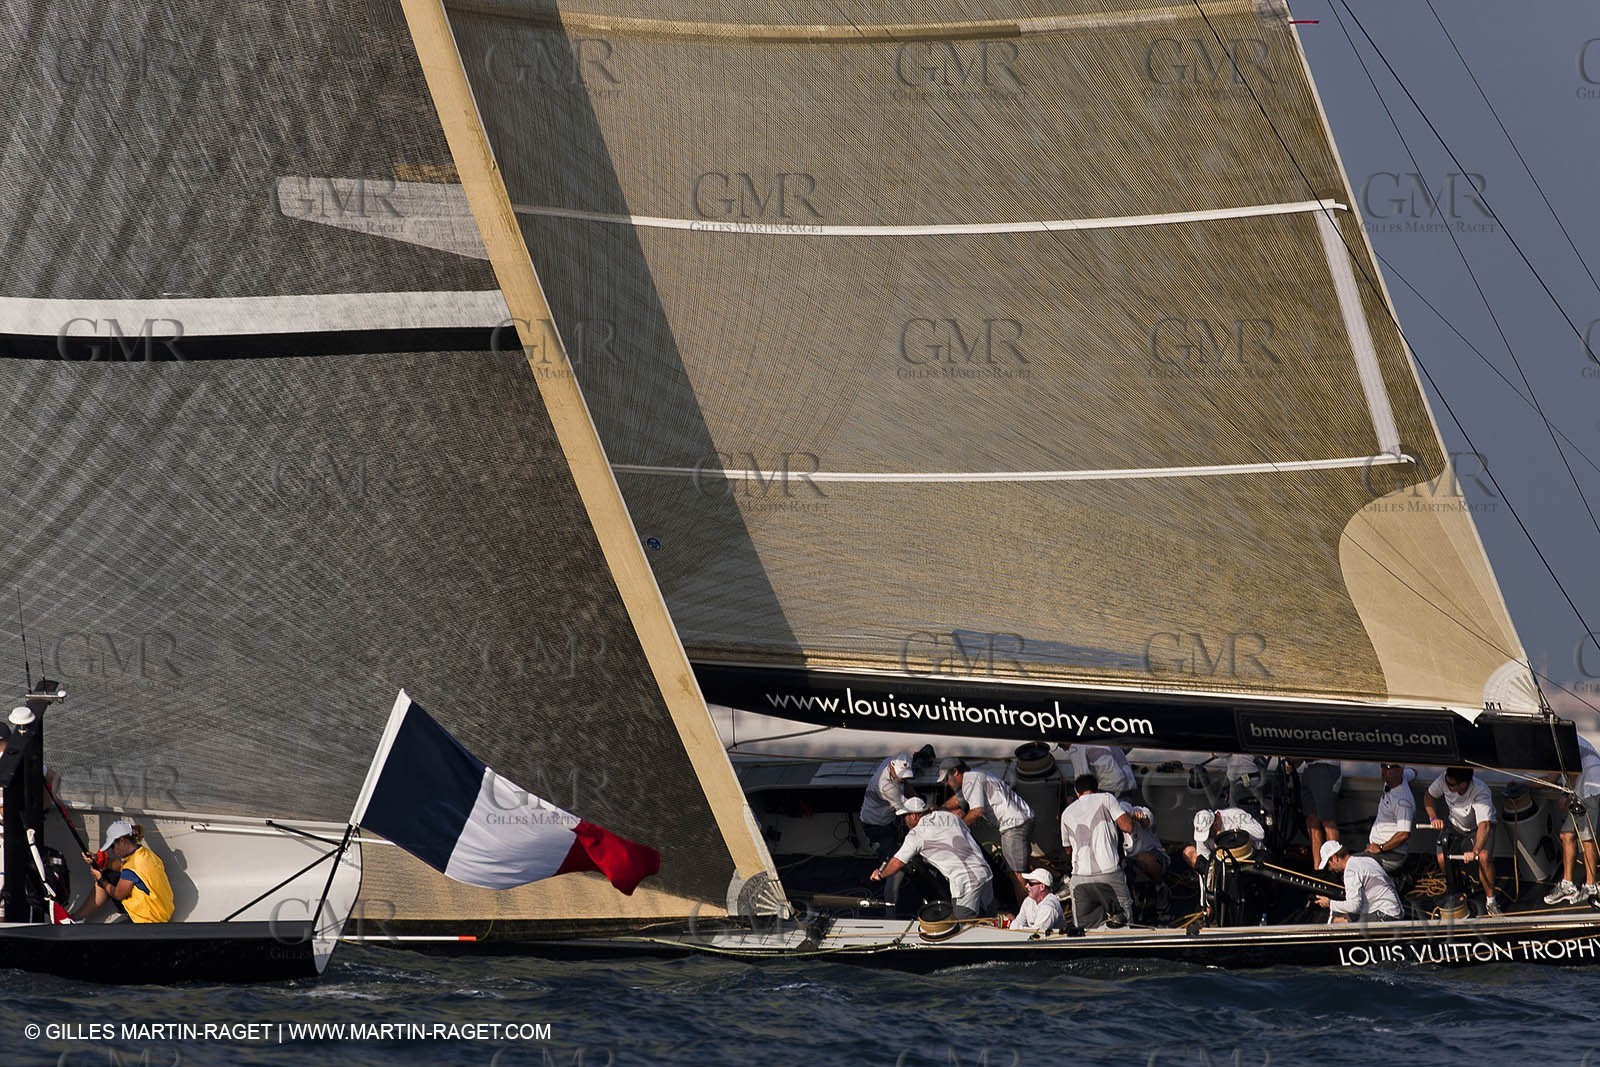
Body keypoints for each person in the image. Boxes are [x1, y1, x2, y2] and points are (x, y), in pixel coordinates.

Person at [870, 797, 993, 915]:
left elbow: (898, 862)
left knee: (962, 925)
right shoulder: (949, 816)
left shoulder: (916, 834)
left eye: (905, 817)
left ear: (913, 816)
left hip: (966, 881)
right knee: (992, 914)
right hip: (984, 871)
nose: (904, 821)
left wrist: (881, 874)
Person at [938, 758, 1035, 902]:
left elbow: (977, 811)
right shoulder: (975, 775)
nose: (946, 783)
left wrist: (958, 829)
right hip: (1024, 817)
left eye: (946, 779)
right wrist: (939, 809)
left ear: (955, 772)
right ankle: (1058, 876)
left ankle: (1027, 914)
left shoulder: (970, 780)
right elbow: (958, 800)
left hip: (1013, 825)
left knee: (1016, 873)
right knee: (1024, 861)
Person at [1060, 774, 1137, 928]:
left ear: (1077, 792)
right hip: (1109, 874)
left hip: (1079, 879)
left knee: (1086, 932)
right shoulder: (1106, 798)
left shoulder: (1066, 813)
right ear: (1096, 789)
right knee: (1125, 926)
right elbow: (1128, 827)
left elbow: (1067, 849)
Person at [1424, 766, 1500, 915]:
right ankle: (1459, 888)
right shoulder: (1444, 780)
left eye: (1451, 785)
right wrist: (1433, 817)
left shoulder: (1480, 791)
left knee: (1484, 857)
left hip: (1477, 828)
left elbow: (1484, 826)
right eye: (1447, 782)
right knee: (1441, 858)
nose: (1447, 785)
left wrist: (1475, 851)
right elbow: (1429, 796)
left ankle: (1491, 901)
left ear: (1463, 784)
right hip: (1455, 825)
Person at [74, 820, 173, 924]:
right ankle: (78, 917)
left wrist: (100, 879)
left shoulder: (132, 867)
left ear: (122, 840)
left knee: (108, 936)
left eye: (112, 846)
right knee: (109, 875)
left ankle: (77, 919)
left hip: (149, 921)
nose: (112, 851)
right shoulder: (145, 854)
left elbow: (118, 894)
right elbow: (121, 866)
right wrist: (98, 860)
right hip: (162, 911)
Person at [1545, 735, 1600, 904]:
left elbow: (1572, 770)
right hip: (1579, 789)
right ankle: (1568, 885)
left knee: (1587, 838)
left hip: (1591, 786)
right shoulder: (1554, 740)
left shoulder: (1560, 738)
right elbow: (1552, 778)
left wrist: (1567, 794)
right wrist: (1523, 784)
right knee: (1567, 835)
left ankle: (1590, 885)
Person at [860, 752, 915, 904]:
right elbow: (909, 812)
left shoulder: (888, 761)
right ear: (891, 767)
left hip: (887, 821)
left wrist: (915, 796)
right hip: (875, 826)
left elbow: (904, 783)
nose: (901, 778)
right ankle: (890, 906)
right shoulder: (886, 787)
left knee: (897, 853)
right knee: (896, 865)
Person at [1314, 840, 1402, 922]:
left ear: (1335, 858)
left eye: (1328, 865)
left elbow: (1354, 906)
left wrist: (1329, 903)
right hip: (1395, 912)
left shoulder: (1350, 871)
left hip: (1384, 915)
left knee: (1339, 923)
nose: (1330, 869)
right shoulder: (1367, 860)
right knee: (1343, 919)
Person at [1365, 763, 1415, 875]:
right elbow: (1413, 772)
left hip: (1391, 854)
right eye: (1382, 766)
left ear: (1399, 771)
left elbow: (1404, 834)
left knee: (1354, 865)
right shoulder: (1395, 780)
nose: (1383, 771)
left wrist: (1381, 848)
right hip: (1377, 848)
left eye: (1388, 768)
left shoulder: (1402, 801)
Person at [1293, 758, 1342, 863]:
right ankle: (1318, 869)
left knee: (1327, 821)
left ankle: (1334, 867)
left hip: (1325, 766)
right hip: (1308, 767)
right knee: (1311, 821)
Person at [1184, 808, 1266, 871]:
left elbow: (1260, 834)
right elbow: (1205, 860)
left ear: (1215, 825)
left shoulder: (1236, 815)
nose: (1208, 837)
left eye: (1209, 834)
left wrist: (1236, 835)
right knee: (1190, 853)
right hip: (1223, 866)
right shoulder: (1202, 836)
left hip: (1251, 857)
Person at [1001, 868, 1065, 933]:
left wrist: (1016, 927)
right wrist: (1015, 927)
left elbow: (1037, 933)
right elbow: (1018, 921)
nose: (1026, 886)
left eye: (1031, 883)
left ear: (1042, 887)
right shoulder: (1028, 901)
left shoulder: (1049, 907)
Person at [1063, 744, 1137, 799]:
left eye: (1061, 745)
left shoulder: (1075, 747)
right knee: (1126, 813)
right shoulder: (1097, 734)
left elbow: (1082, 779)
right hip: (1129, 782)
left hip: (1112, 788)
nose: (1063, 749)